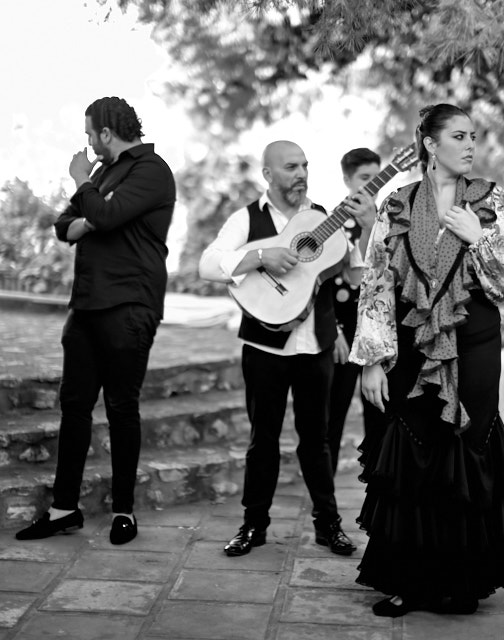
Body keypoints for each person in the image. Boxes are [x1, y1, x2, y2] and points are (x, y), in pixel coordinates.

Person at [349, 104, 504, 616]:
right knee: (416, 453)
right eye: (459, 136)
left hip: (475, 343)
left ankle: (462, 581)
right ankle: (408, 582)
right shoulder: (398, 202)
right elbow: (376, 282)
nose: (471, 145)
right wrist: (371, 360)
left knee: (467, 451)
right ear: (430, 145)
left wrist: (481, 238)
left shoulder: (491, 200)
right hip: (412, 346)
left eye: (474, 136)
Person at [198, 140, 375, 557]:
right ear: (268, 174)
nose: (300, 173)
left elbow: (355, 278)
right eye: (291, 166)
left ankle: (327, 525)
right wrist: (261, 255)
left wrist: (367, 229)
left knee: (318, 441)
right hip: (263, 347)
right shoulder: (246, 218)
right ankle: (253, 525)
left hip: (316, 345)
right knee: (263, 439)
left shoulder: (325, 220)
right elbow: (208, 264)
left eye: (305, 166)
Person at [16, 97, 176, 545]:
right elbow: (65, 225)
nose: (87, 142)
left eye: (90, 133)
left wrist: (85, 187)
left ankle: (124, 511)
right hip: (85, 306)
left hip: (130, 304)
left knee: (122, 408)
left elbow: (103, 214)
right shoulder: (103, 176)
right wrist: (92, 211)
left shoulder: (152, 169)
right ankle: (64, 509)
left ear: (107, 132)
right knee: (74, 407)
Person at [328, 148, 386, 474]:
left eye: (377, 177)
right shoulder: (330, 222)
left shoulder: (388, 220)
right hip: (344, 327)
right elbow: (320, 282)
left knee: (379, 409)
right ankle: (325, 489)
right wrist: (334, 329)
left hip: (377, 330)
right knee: (333, 412)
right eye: (365, 178)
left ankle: (379, 479)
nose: (372, 184)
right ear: (347, 179)